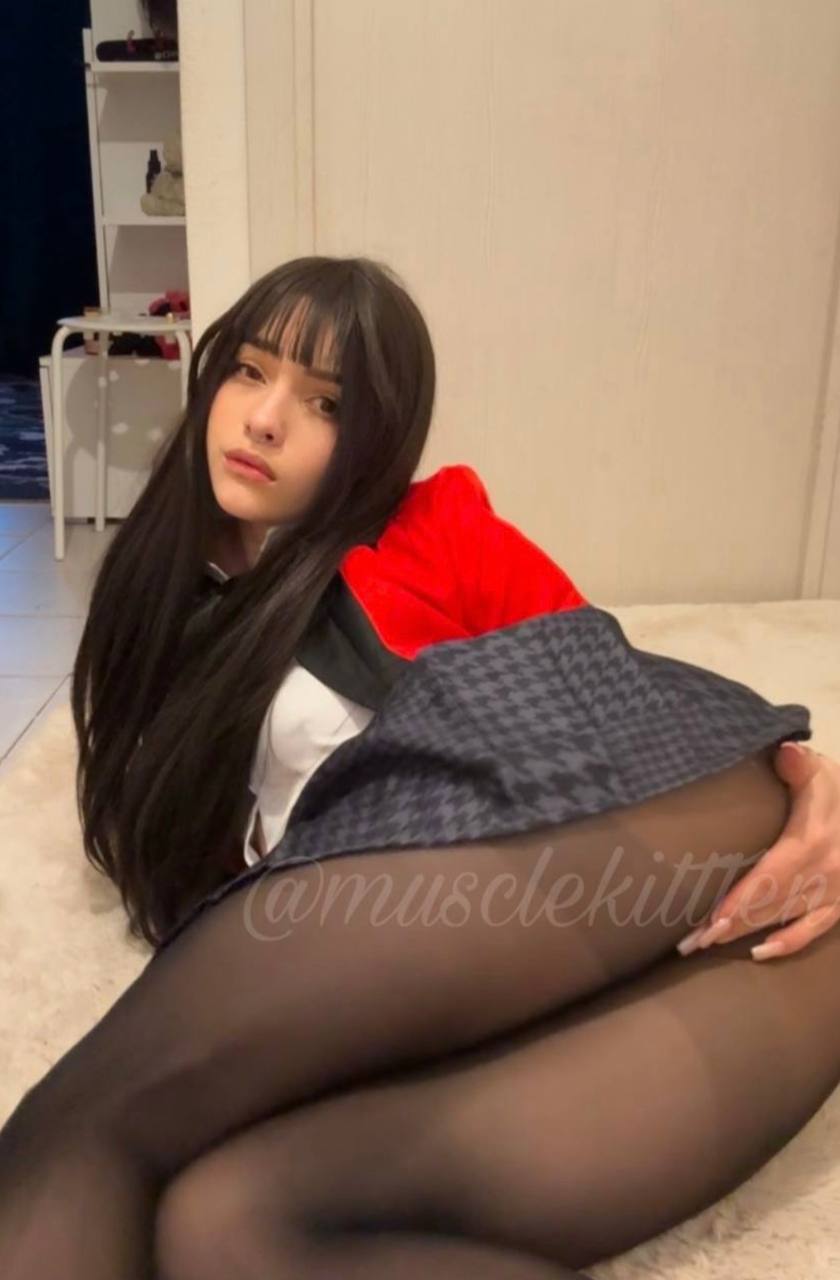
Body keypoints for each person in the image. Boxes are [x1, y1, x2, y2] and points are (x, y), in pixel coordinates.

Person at [1, 254, 840, 1280]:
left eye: (325, 403)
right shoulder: (161, 594)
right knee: (227, 1223)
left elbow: (614, 691)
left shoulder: (431, 528)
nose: (265, 419)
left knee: (94, 1119)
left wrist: (812, 778)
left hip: (604, 861)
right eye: (250, 371)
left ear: (377, 436)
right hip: (578, 970)